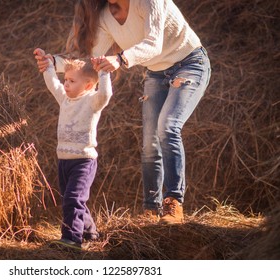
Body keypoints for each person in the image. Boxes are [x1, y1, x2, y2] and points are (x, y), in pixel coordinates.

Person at [37, 0, 211, 225]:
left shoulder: (149, 2)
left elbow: (153, 43)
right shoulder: (105, 16)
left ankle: (174, 202)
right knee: (150, 144)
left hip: (190, 63)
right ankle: (150, 209)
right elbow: (91, 61)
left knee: (167, 127)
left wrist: (120, 59)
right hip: (157, 73)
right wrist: (54, 63)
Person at [33, 48, 113, 250]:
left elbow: (105, 93)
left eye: (71, 81)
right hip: (64, 160)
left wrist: (103, 72)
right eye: (66, 79)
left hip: (83, 161)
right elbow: (53, 84)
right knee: (73, 198)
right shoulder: (65, 99)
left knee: (73, 198)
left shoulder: (93, 101)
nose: (65, 83)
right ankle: (91, 232)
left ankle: (72, 238)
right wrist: (49, 65)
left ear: (87, 85)